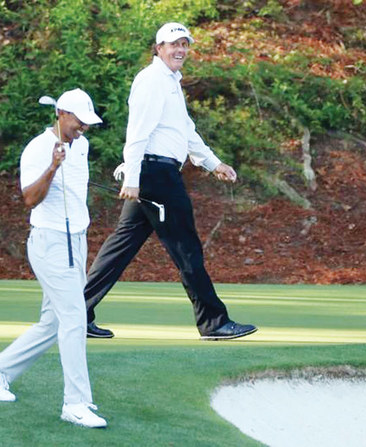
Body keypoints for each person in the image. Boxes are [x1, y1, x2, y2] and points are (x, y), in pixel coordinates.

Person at [85, 23, 257, 341]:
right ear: (159, 48)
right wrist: (132, 178)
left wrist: (214, 164)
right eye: (173, 44)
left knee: (119, 248)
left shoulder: (171, 83)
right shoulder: (151, 80)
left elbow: (186, 131)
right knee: (186, 247)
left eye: (184, 44)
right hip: (157, 176)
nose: (180, 50)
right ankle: (214, 323)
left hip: (155, 174)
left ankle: (76, 314)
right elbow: (137, 133)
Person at [0, 89, 107, 428]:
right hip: (50, 242)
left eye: (87, 123)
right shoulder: (37, 149)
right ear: (61, 114)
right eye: (79, 122)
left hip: (76, 241)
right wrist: (53, 166)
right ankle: (75, 403)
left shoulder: (82, 145)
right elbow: (30, 199)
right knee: (75, 318)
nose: (84, 128)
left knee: (53, 322)